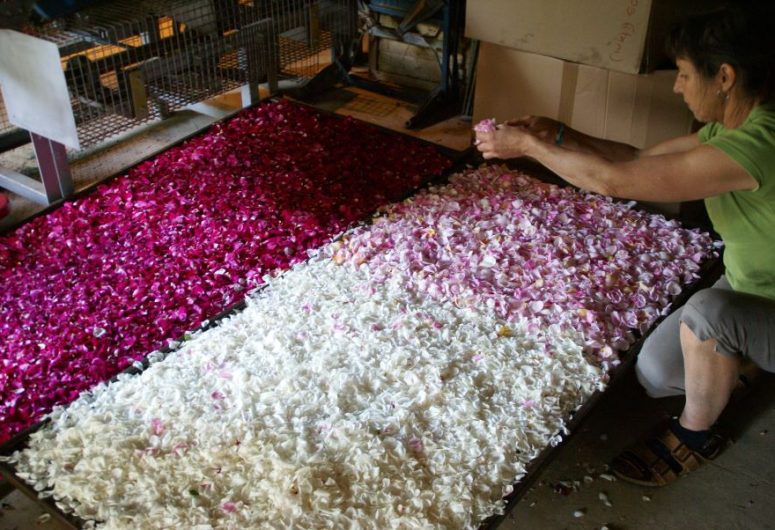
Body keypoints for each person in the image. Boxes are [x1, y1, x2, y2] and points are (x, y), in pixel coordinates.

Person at [474, 2, 775, 487]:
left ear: (723, 76)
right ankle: (743, 360)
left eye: (681, 74)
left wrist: (530, 148)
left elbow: (616, 183)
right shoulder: (730, 129)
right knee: (655, 374)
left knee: (708, 313)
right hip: (754, 286)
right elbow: (636, 157)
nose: (677, 86)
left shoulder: (759, 146)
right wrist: (559, 133)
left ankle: (695, 437)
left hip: (762, 302)